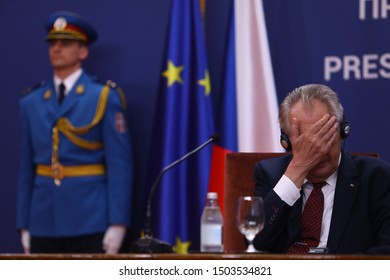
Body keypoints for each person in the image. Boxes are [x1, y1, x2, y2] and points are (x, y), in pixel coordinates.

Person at [17, 11, 133, 254]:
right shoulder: (32, 101)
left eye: (66, 43)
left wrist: (118, 222)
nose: (57, 49)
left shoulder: (102, 96)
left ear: (83, 51)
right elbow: (26, 168)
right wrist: (24, 223)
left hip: (89, 217)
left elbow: (119, 164)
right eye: (52, 43)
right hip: (43, 218)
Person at [252, 84, 390, 254]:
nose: (319, 150)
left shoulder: (376, 176)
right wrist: (298, 169)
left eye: (325, 136)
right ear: (286, 142)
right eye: (307, 142)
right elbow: (256, 243)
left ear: (342, 132)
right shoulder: (269, 174)